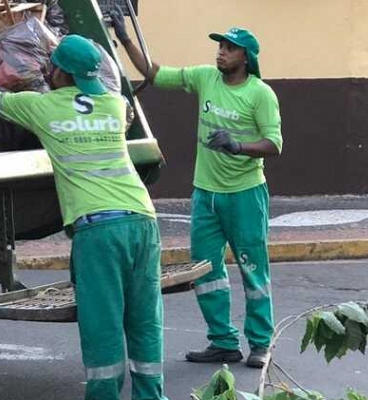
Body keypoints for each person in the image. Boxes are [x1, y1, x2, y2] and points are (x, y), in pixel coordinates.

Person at [0, 35, 167, 400]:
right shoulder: (114, 105)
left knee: (102, 326)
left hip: (99, 230)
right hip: (143, 221)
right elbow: (121, 108)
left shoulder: (41, 107)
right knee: (144, 321)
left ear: (57, 71)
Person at [109, 11, 283, 368]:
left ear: (246, 57)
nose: (220, 52)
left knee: (253, 271)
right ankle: (223, 341)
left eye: (229, 48)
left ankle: (261, 344)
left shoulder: (260, 94)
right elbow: (155, 74)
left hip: (246, 195)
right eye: (220, 46)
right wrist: (126, 38)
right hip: (206, 195)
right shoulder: (206, 78)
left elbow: (274, 144)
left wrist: (237, 145)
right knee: (206, 270)